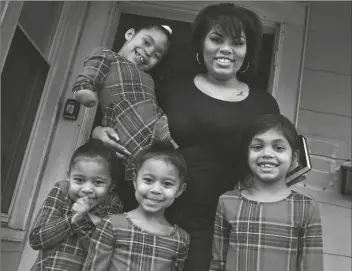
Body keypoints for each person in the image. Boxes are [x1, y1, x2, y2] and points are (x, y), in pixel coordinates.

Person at [91, 3, 280, 270]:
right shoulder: (170, 87)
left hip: (211, 225)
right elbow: (127, 113)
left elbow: (269, 164)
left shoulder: (264, 105)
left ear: (247, 51)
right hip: (149, 210)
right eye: (216, 39)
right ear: (202, 44)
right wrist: (98, 131)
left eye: (237, 42)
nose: (226, 49)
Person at [210, 114, 324, 271]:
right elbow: (218, 262)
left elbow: (312, 266)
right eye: (257, 147)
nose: (267, 154)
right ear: (247, 153)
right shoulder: (227, 201)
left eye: (278, 148)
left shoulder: (306, 207)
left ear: (294, 157)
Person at [72, 24, 177, 181]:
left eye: (156, 55)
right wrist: (85, 89)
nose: (148, 52)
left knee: (162, 158)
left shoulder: (149, 79)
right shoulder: (107, 55)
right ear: (129, 34)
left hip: (155, 126)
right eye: (147, 42)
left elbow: (153, 104)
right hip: (121, 123)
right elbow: (92, 70)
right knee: (131, 161)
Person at [83, 141, 190, 271]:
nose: (156, 189)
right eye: (148, 180)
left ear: (179, 190)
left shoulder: (180, 239)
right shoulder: (112, 225)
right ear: (135, 180)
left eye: (167, 184)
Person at [29, 139, 124, 271]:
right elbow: (36, 239)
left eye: (97, 182)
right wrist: (72, 219)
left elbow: (102, 253)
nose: (87, 189)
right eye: (79, 180)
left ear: (112, 185)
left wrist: (82, 218)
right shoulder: (62, 190)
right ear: (69, 177)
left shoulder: (112, 202)